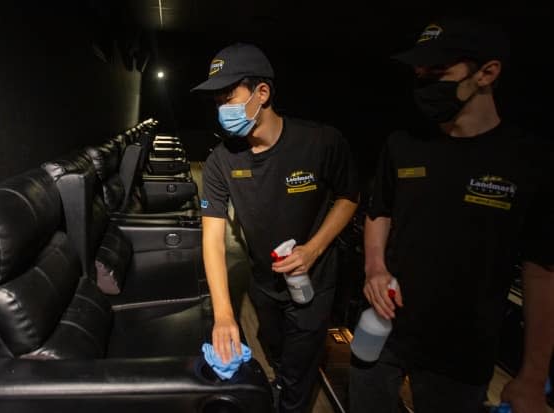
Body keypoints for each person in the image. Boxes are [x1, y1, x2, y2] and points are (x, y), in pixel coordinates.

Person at [349, 17, 554, 413]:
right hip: (383, 325)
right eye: (419, 70)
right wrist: (374, 267)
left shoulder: (530, 161)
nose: (423, 79)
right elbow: (380, 211)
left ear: (487, 73)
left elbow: (541, 270)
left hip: (462, 349)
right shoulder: (403, 144)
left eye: (438, 69)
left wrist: (532, 374)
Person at [191, 42, 359, 412]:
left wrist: (313, 249)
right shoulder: (221, 161)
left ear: (262, 93)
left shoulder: (321, 142)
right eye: (217, 101)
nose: (222, 109)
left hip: (314, 282)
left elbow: (349, 198)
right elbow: (213, 239)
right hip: (263, 282)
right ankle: (282, 383)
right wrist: (223, 316)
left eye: (228, 96)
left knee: (300, 372)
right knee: (275, 350)